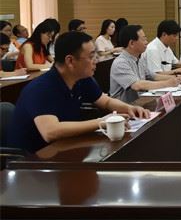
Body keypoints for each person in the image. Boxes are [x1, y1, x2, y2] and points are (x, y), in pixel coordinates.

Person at [7, 31, 150, 153]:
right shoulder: (41, 88)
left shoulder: (81, 78)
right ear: (70, 61)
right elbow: (50, 132)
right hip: (31, 160)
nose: (96, 60)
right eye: (91, 56)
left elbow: (105, 101)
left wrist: (129, 108)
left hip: (64, 148)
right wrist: (101, 122)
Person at [110, 25, 181, 103]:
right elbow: (137, 85)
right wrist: (167, 83)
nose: (147, 42)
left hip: (140, 101)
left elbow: (153, 76)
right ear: (131, 43)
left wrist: (176, 78)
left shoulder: (139, 59)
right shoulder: (120, 63)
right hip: (125, 106)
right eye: (143, 39)